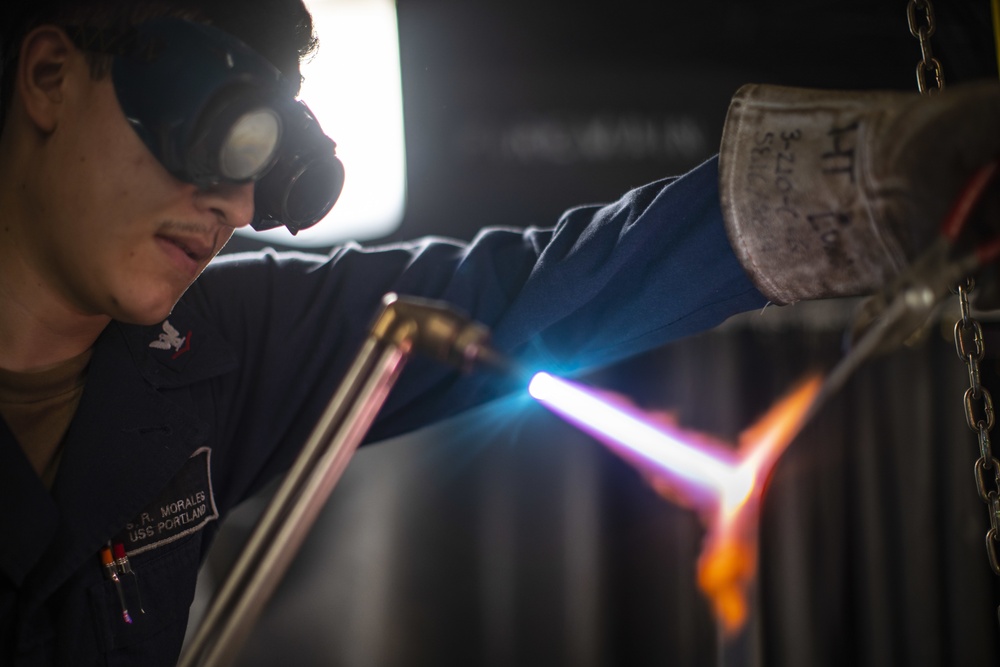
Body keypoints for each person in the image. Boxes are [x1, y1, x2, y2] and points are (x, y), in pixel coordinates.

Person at [0, 0, 996, 664]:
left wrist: (863, 184)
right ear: (49, 75)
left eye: (261, 167)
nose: (228, 204)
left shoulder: (217, 343)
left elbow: (537, 287)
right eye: (208, 131)